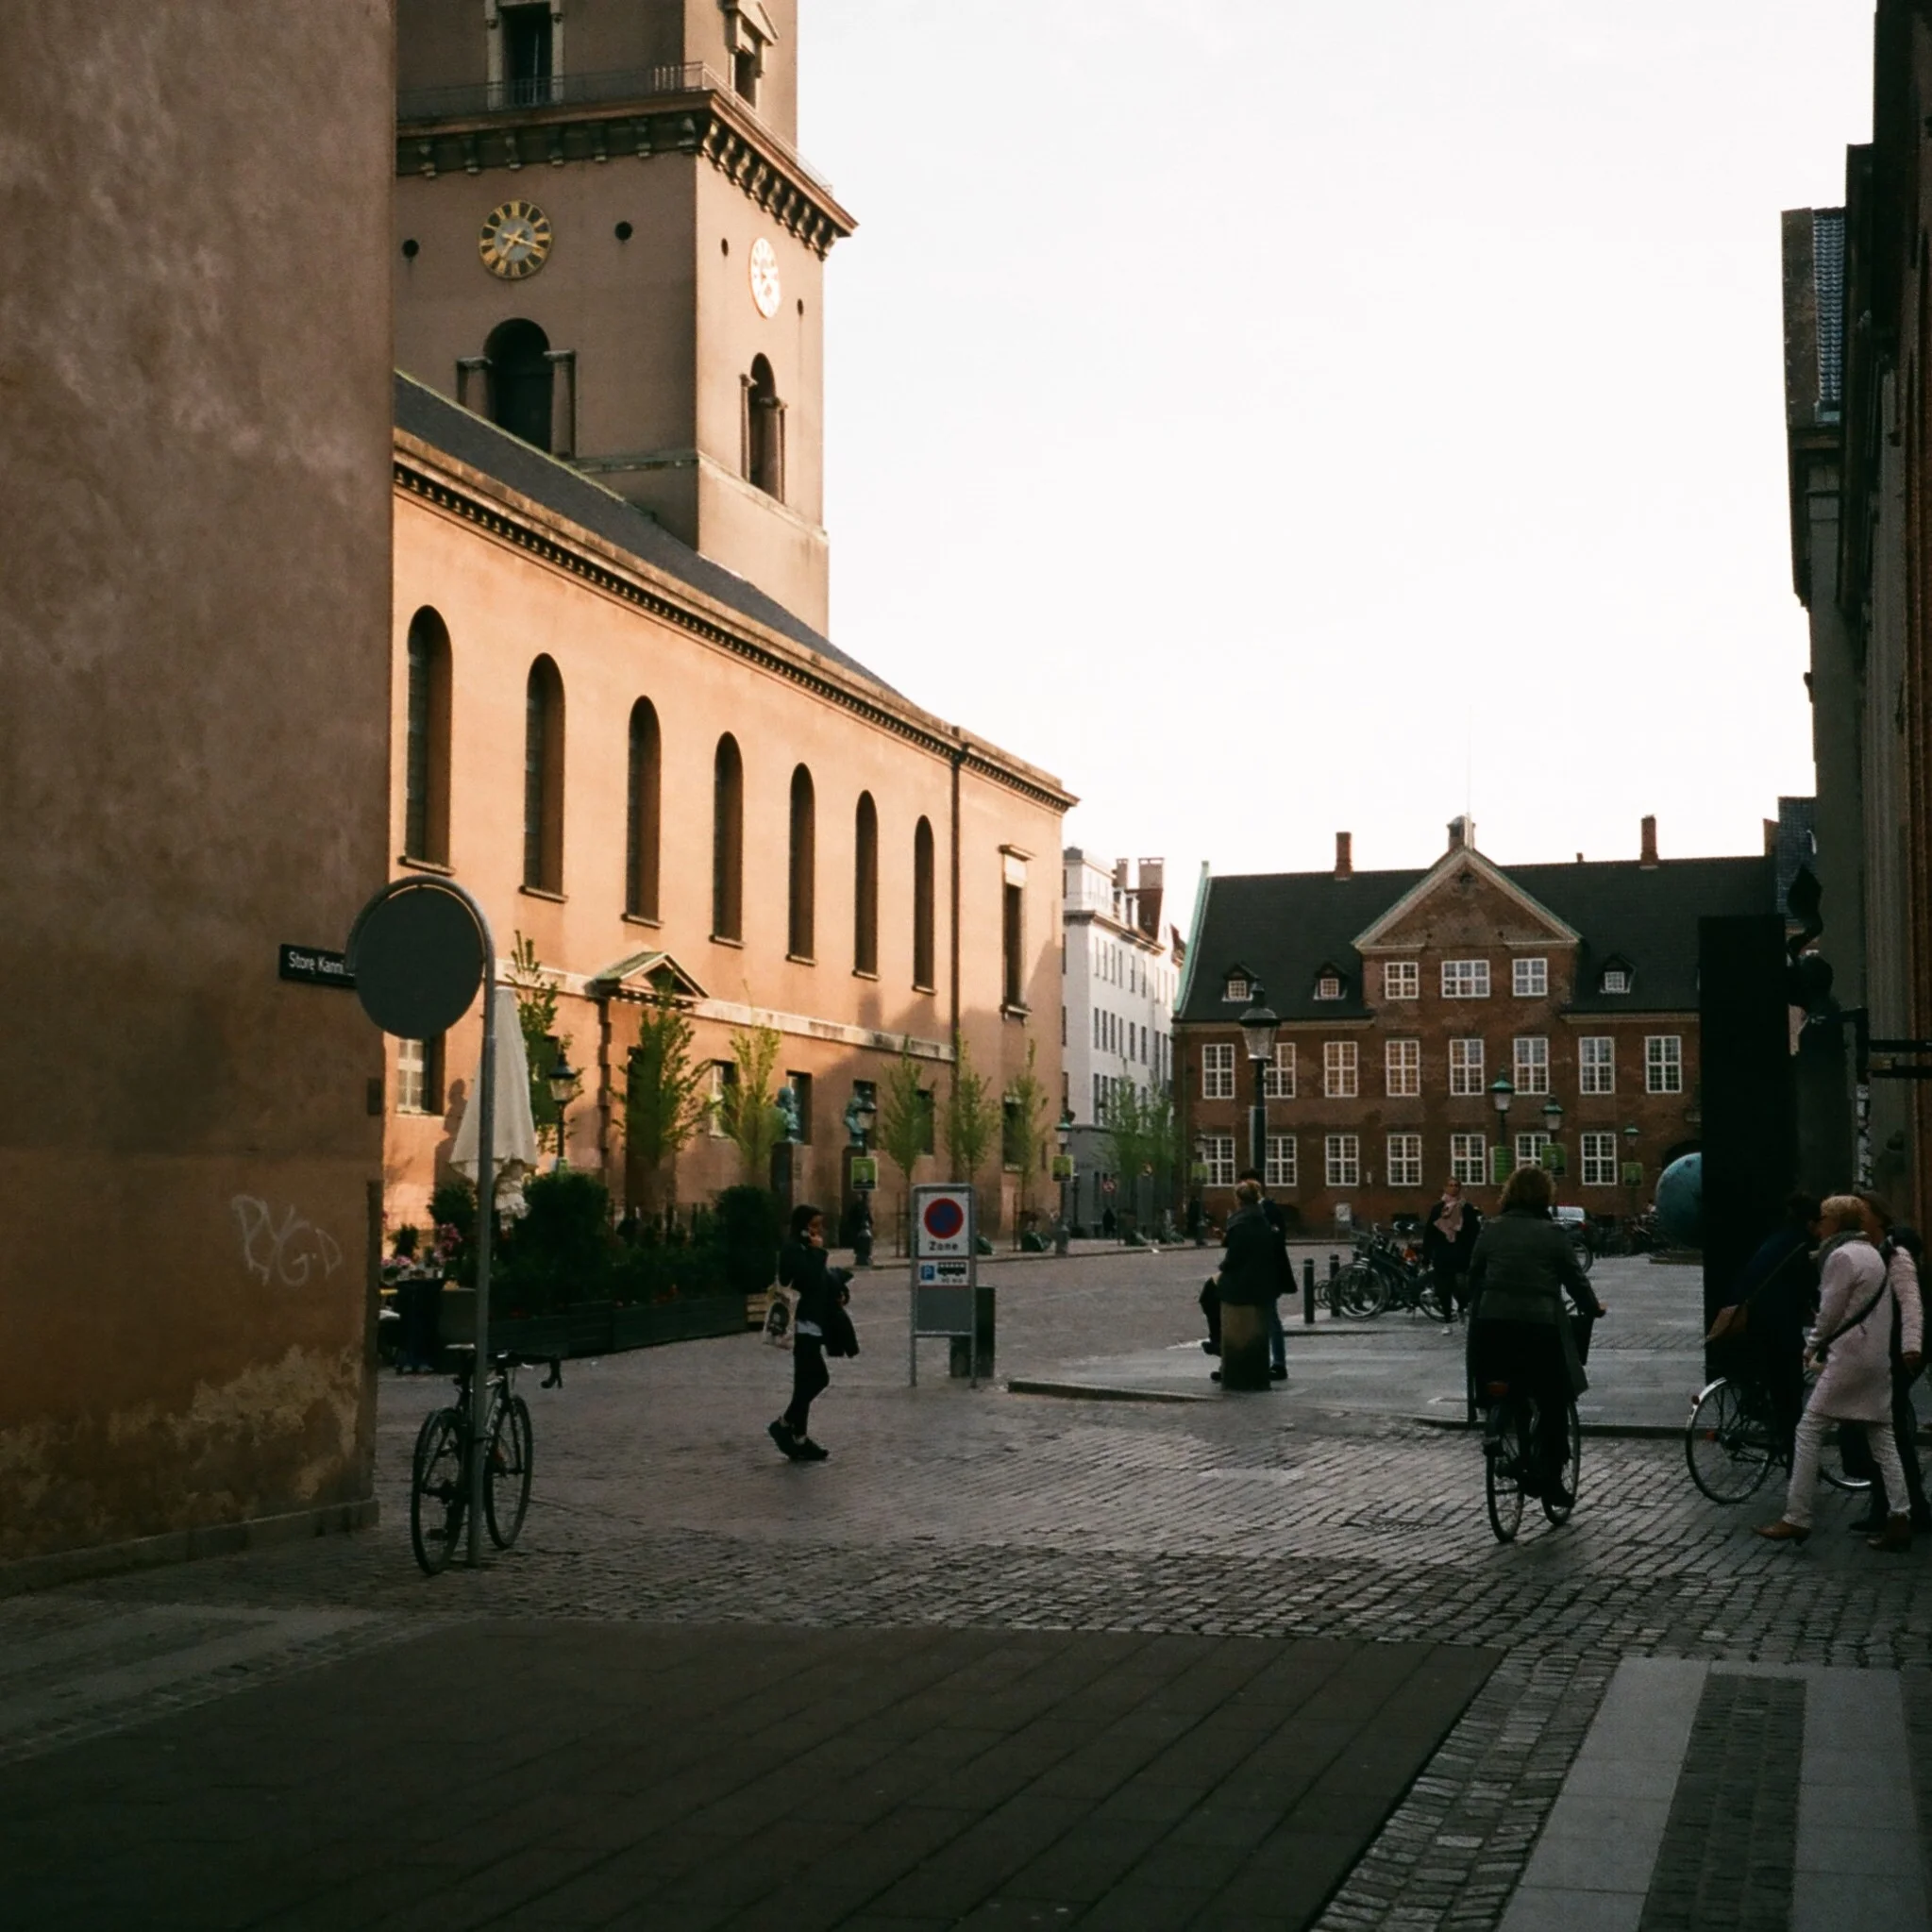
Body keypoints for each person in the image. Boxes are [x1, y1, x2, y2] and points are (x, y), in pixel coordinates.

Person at [1756, 1195, 1914, 1551]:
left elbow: (1829, 1312)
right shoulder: (1872, 1253)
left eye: (1825, 1217)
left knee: (1808, 1430)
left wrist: (1811, 1346)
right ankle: (1901, 1516)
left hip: (1849, 1358)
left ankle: (1797, 1516)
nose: (1819, 1223)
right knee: (1883, 1437)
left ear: (1837, 1222)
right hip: (1875, 1358)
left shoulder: (1841, 1257)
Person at [1467, 1164, 1606, 1507]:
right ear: (1545, 1196)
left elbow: (1473, 1275)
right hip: (1537, 1328)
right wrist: (1592, 1308)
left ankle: (1499, 1430)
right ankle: (1552, 1479)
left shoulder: (1491, 1229)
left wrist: (1481, 1301)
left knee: (1503, 1386)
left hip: (1492, 1326)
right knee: (1554, 1397)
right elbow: (1575, 1280)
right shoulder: (1552, 1234)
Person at [1846, 1193, 1929, 1534]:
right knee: (1882, 1431)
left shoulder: (1897, 1255)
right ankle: (1896, 1505)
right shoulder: (1867, 1253)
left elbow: (1911, 1303)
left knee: (1888, 1430)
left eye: (1862, 1213)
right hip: (1880, 1350)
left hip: (1898, 1353)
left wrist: (1911, 1348)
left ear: (1878, 1218)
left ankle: (1905, 1508)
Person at [1722, 1193, 1823, 1460]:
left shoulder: (1778, 1239)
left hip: (1754, 1322)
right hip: (1777, 1327)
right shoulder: (1801, 1246)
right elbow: (1810, 1289)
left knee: (1776, 1387)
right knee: (1790, 1393)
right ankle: (1794, 1457)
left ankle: (1772, 1425)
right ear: (1811, 1223)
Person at [768, 1203, 850, 1463]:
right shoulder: (793, 1250)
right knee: (817, 1379)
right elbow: (808, 1276)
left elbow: (822, 1280)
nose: (818, 1231)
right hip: (801, 1323)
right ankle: (784, 1424)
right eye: (813, 1226)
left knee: (804, 1382)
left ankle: (800, 1437)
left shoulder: (806, 1250)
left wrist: (838, 1291)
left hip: (815, 1322)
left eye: (819, 1226)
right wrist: (817, 1252)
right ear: (802, 1227)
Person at [1213, 1178, 1283, 1387]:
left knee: (1210, 1295)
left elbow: (1234, 1257)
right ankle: (1276, 1361)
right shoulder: (1261, 1218)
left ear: (1238, 1200)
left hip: (1244, 1283)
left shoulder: (1240, 1221)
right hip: (1265, 1279)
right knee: (1272, 1319)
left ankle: (1221, 1348)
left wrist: (1223, 1268)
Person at [1237, 1168, 1291, 1380]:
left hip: (1266, 1271)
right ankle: (1263, 1360)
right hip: (1260, 1271)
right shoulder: (1252, 1210)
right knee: (1264, 1317)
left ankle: (1278, 1363)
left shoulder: (1266, 1209)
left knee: (1270, 1318)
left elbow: (1277, 1238)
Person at [1422, 1177, 1484, 1322]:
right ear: (1445, 1188)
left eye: (1456, 1185)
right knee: (1444, 1290)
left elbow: (1474, 1232)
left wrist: (1474, 1254)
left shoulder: (1466, 1208)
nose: (1453, 1188)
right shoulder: (1438, 1209)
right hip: (1443, 1255)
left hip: (1461, 1255)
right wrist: (1426, 1256)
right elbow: (1429, 1233)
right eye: (1450, 1185)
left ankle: (1462, 1308)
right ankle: (1448, 1319)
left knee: (1462, 1289)